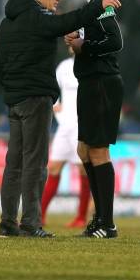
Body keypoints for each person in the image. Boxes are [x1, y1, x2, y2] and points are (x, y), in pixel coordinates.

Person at [0, 0, 122, 238]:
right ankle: (30, 224)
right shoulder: (38, 18)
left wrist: (10, 90)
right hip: (36, 99)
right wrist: (99, 5)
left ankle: (7, 223)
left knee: (13, 163)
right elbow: (68, 22)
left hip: (14, 100)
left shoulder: (7, 22)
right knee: (36, 163)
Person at [64, 0, 124, 238]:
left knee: (98, 150)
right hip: (91, 83)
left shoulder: (104, 3)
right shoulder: (94, 3)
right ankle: (99, 218)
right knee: (84, 150)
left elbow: (115, 40)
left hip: (102, 83)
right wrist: (78, 39)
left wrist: (83, 45)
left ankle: (107, 223)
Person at [40, 49, 90, 228]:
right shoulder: (64, 66)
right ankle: (40, 216)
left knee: (83, 170)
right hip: (64, 126)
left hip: (81, 125)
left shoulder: (92, 65)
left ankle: (81, 217)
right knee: (53, 167)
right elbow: (52, 88)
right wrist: (55, 104)